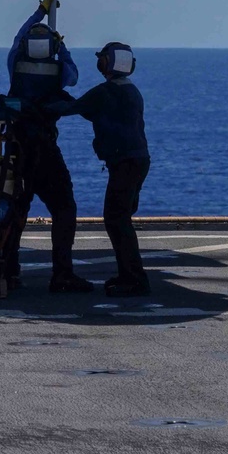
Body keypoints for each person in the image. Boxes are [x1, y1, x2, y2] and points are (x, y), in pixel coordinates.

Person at [5, 0, 94, 295]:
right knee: (64, 208)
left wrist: (38, 13)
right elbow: (74, 74)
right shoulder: (59, 71)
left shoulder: (15, 63)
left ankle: (8, 270)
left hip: (17, 148)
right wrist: (61, 46)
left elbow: (19, 37)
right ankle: (62, 274)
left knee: (16, 209)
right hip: (44, 148)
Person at [58, 41, 151, 296]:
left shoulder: (105, 92)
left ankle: (134, 279)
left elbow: (71, 109)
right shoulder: (131, 91)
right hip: (137, 161)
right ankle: (128, 274)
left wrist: (39, 102)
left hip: (125, 163)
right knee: (121, 219)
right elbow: (92, 111)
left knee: (116, 219)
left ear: (105, 63)